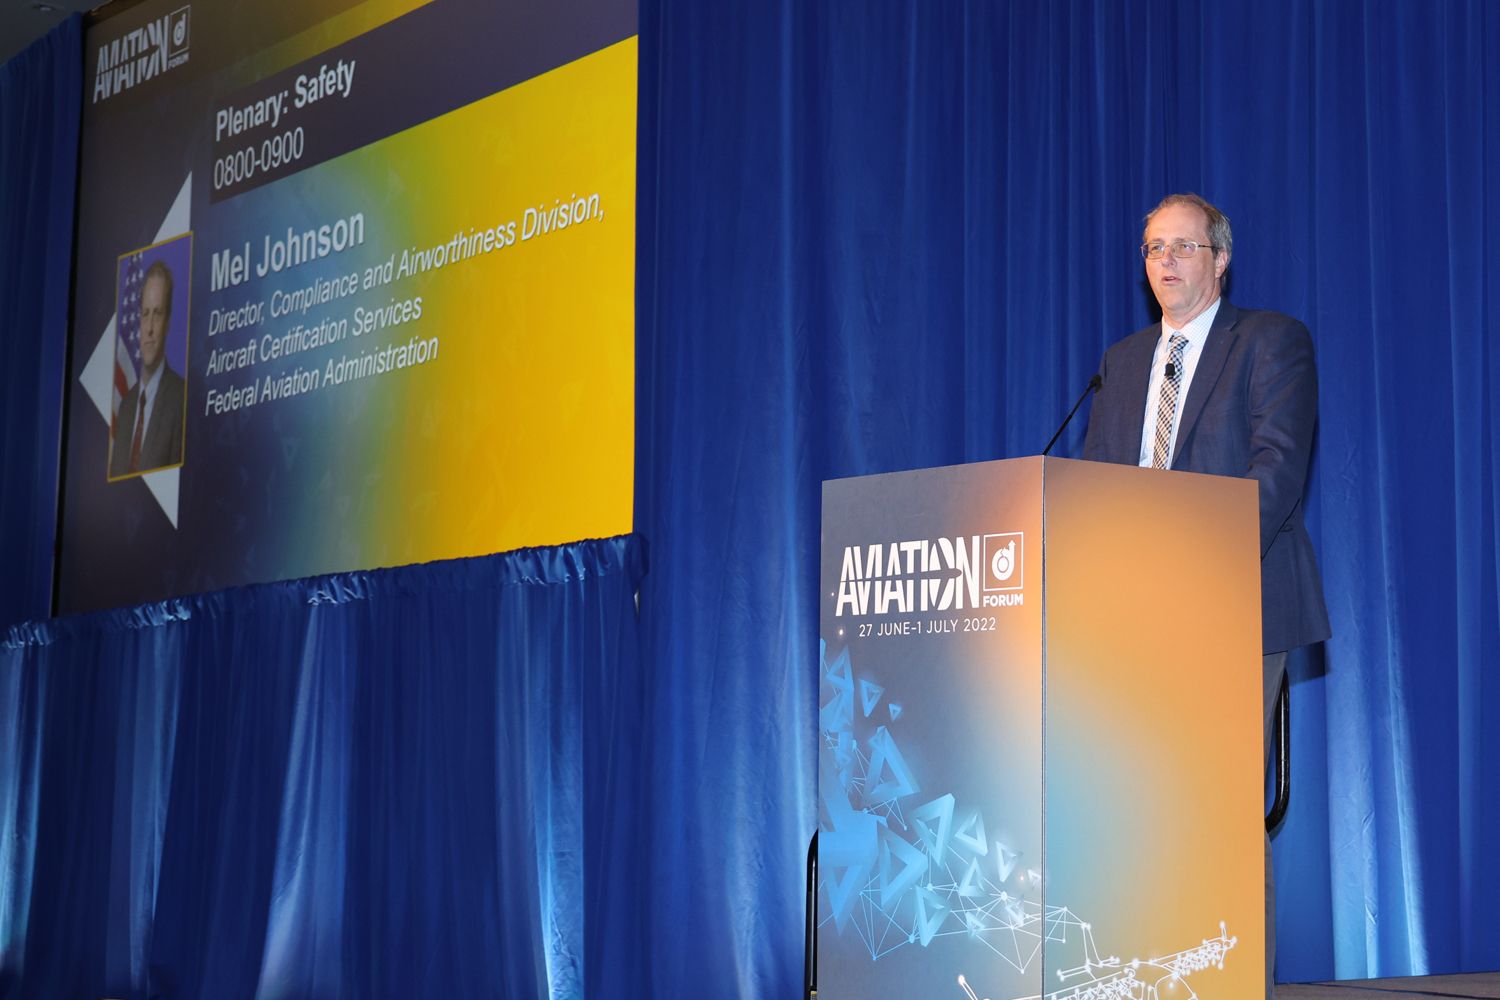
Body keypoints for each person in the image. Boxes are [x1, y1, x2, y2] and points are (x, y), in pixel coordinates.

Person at [1081, 193, 1330, 998]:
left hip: (1235, 605)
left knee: (1215, 811)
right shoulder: (1120, 364)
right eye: (1154, 247)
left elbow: (1278, 473)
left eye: (1184, 247)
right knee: (1135, 815)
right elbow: (1093, 493)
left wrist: (1186, 561)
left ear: (1220, 259)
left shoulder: (1270, 341)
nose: (1166, 262)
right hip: (1134, 624)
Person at [110, 259, 185, 477]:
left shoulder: (181, 400)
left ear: (168, 320)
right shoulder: (125, 408)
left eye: (158, 314)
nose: (150, 328)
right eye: (145, 314)